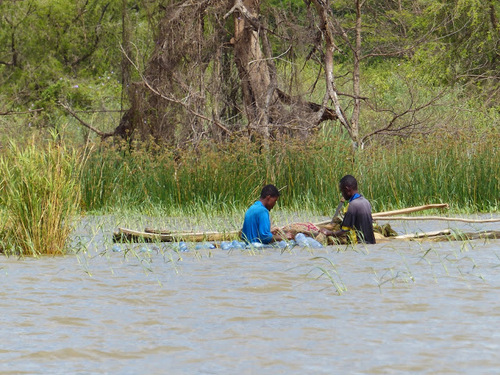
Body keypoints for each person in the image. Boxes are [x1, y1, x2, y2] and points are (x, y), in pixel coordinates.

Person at [323, 175, 376, 244]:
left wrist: (328, 233)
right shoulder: (366, 202)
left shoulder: (352, 206)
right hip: (371, 244)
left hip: (359, 245)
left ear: (347, 189)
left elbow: (344, 231)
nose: (342, 194)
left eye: (342, 191)